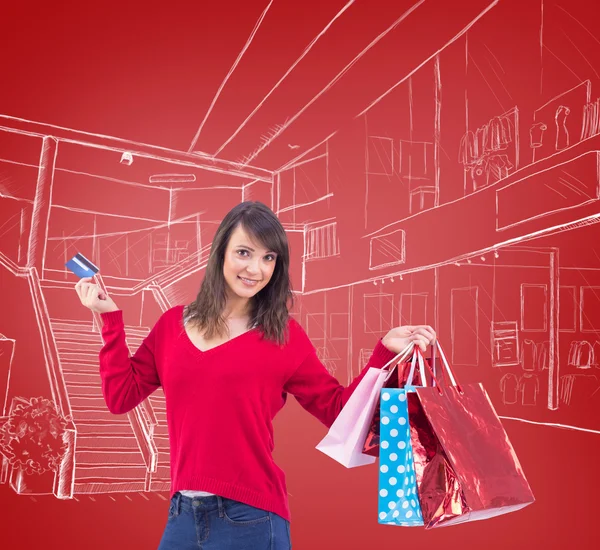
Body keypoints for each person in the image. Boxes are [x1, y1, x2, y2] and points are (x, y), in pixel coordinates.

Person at [75, 201, 436, 550]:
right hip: (182, 514)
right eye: (244, 253)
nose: (256, 269)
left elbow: (337, 409)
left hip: (251, 517)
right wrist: (110, 319)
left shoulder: (283, 337)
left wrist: (384, 351)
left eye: (268, 258)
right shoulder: (172, 325)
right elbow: (120, 397)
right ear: (221, 253)